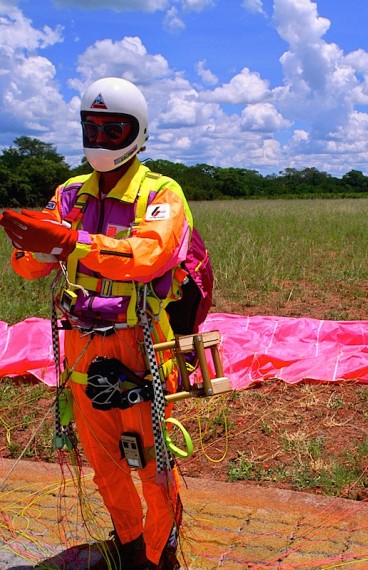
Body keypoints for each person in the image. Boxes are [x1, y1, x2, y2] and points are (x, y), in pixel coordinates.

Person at [0, 77, 210, 569]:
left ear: (137, 133)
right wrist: (31, 243)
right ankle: (130, 545)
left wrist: (73, 244)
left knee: (152, 465)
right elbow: (28, 267)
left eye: (113, 130)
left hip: (138, 343)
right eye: (91, 128)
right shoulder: (71, 193)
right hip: (80, 345)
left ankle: (161, 556)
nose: (100, 140)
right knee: (105, 462)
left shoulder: (161, 193)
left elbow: (148, 255)